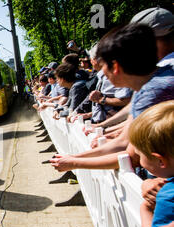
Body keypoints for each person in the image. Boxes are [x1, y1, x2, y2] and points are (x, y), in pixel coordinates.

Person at [50, 23, 174, 173]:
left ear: (115, 67)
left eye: (102, 66)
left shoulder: (151, 93)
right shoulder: (153, 83)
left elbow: (129, 153)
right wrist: (73, 158)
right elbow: (124, 138)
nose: (101, 72)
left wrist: (74, 162)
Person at [128, 100, 174, 227]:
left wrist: (145, 208)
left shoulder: (168, 196)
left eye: (139, 155)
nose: (138, 159)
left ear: (160, 161)